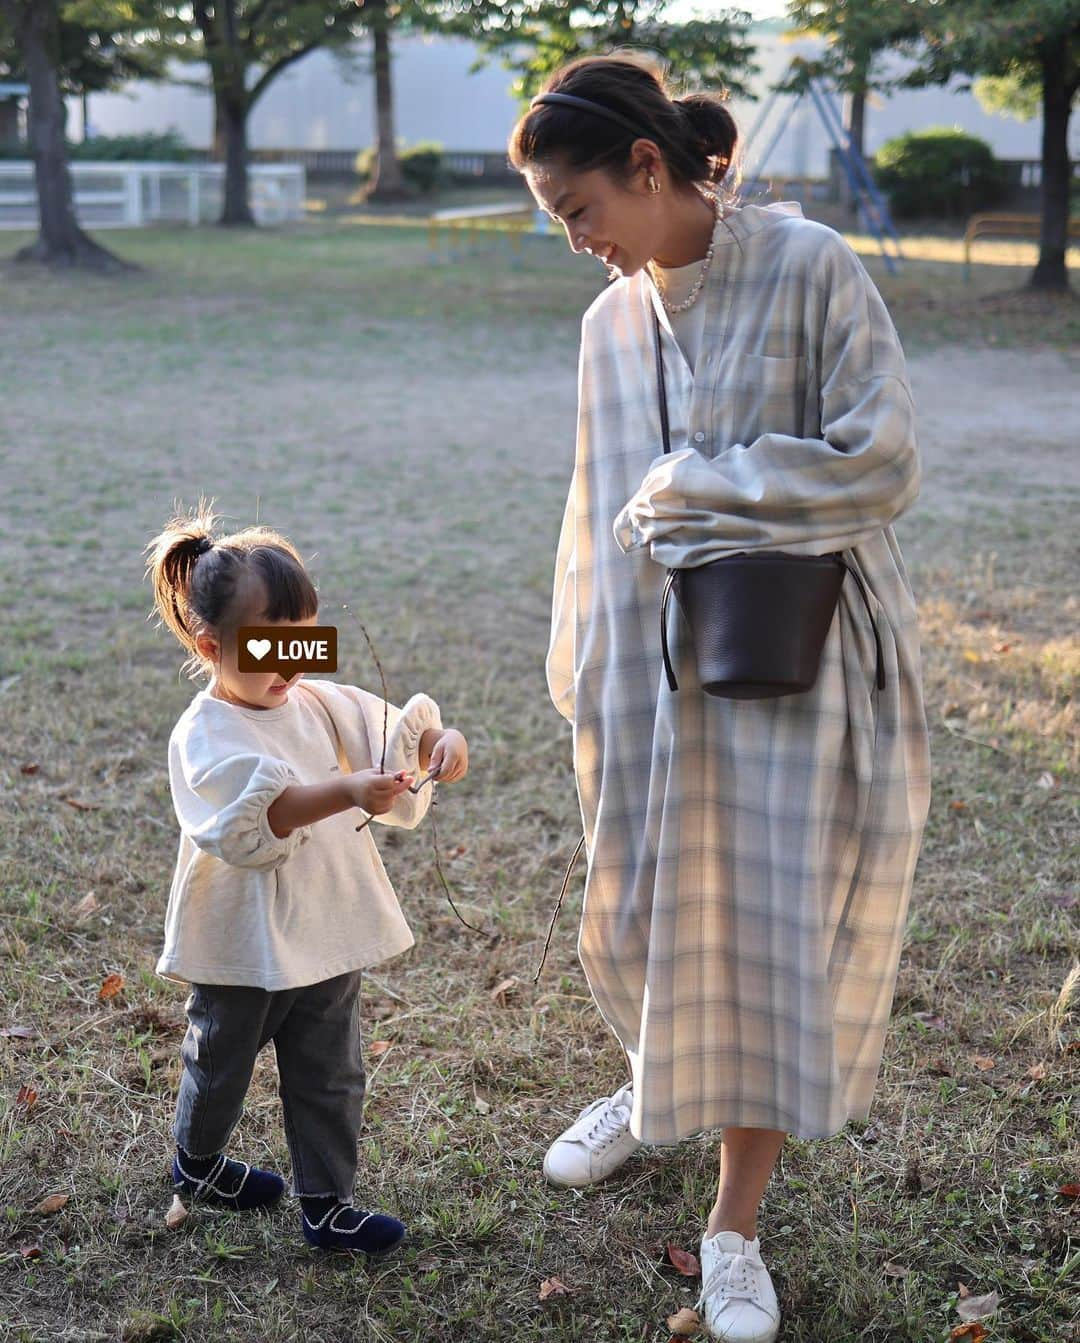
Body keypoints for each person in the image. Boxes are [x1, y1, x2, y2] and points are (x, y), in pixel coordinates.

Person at [510, 55, 930, 1342]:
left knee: (768, 933)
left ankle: (733, 1228)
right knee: (639, 904)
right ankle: (651, 1081)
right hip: (646, 669)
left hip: (791, 665)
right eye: (551, 219)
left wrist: (708, 482)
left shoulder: (810, 268)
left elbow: (883, 456)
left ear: (648, 167)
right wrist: (581, 667)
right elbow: (596, 501)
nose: (572, 240)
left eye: (576, 207)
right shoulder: (607, 324)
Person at [143, 502, 469, 1254]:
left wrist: (436, 743)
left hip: (324, 924)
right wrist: (348, 791)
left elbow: (390, 729)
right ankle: (197, 1162)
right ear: (209, 642)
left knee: (330, 1070)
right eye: (268, 644)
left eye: (304, 640)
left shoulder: (315, 700)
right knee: (221, 1058)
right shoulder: (205, 731)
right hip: (244, 941)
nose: (292, 662)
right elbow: (262, 816)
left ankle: (328, 1203)